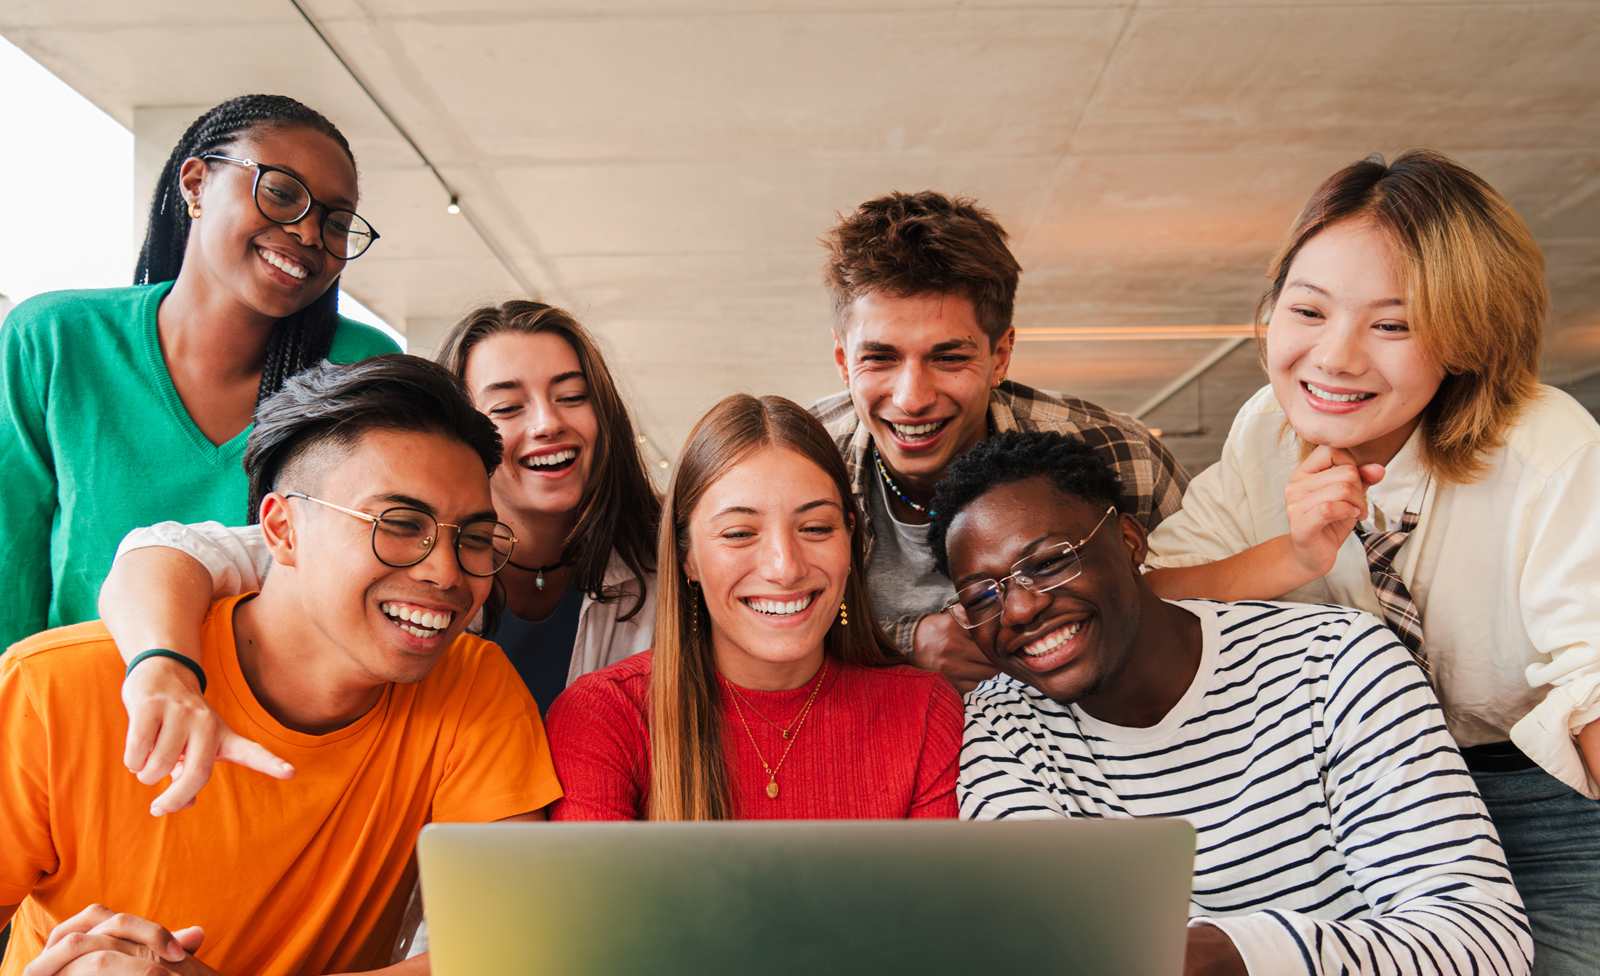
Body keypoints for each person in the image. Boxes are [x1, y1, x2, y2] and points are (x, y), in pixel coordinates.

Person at [934, 431, 1530, 976]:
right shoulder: (1003, 726)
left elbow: (1484, 956)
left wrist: (1236, 963)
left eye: (1049, 561)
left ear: (1126, 537)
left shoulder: (1340, 662)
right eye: (982, 594)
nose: (1018, 607)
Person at [1141, 150, 1600, 976]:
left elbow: (1592, 675)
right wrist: (1291, 555)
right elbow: (1157, 595)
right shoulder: (1267, 429)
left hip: (1528, 791)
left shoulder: (1545, 444)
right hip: (1353, 793)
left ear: (1467, 338)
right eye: (1307, 311)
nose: (1333, 358)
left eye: (1393, 326)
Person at [0, 355, 558, 976]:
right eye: (400, 524)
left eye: (474, 537)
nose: (447, 573)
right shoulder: (52, 688)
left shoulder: (473, 687)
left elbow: (498, 961)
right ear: (282, 529)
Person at [98, 301, 659, 815]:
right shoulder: (351, 544)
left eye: (572, 396)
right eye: (507, 406)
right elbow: (166, 552)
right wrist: (163, 669)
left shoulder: (663, 568)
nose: (546, 423)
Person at [0, 94, 400, 652]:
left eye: (335, 222)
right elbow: (9, 559)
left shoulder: (360, 366)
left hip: (276, 724)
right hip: (78, 713)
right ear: (194, 184)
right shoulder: (55, 339)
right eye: (281, 193)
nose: (310, 234)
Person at [808, 190, 1189, 694]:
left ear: (1001, 354)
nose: (913, 399)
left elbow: (1191, 615)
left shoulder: (1118, 455)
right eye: (879, 358)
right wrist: (905, 643)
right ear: (842, 359)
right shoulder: (802, 465)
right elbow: (740, 628)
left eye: (948, 358)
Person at [546, 393, 960, 821]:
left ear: (849, 540)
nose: (785, 568)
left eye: (816, 527)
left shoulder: (925, 711)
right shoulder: (604, 717)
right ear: (687, 555)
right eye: (739, 533)